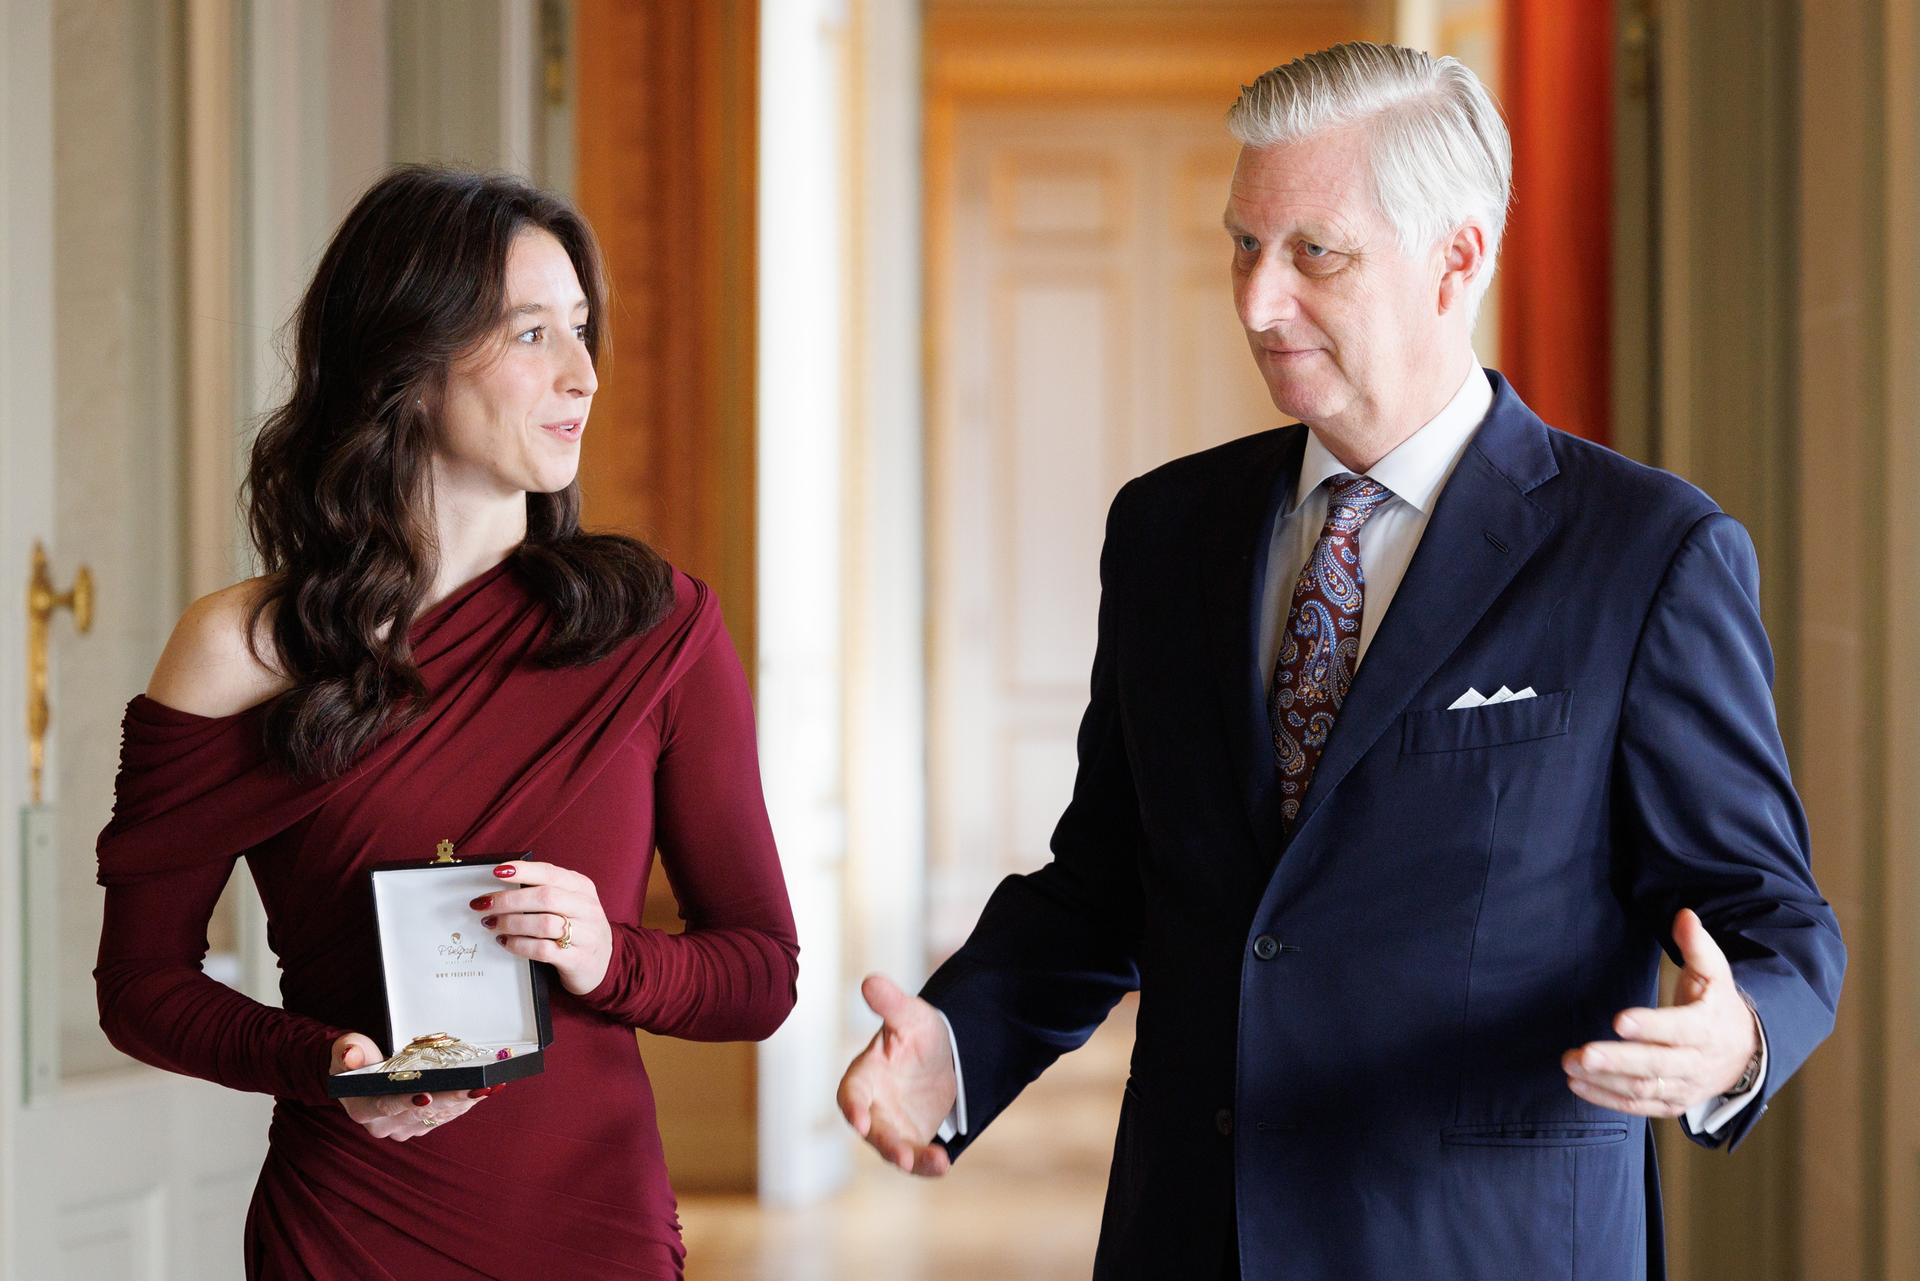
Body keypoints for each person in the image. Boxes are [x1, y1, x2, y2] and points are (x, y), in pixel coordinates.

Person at [836, 41, 1844, 1280]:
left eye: (1316, 253)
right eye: (1243, 245)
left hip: (1489, 1246)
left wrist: (1736, 1040)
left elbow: (1775, 918)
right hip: (1192, 1236)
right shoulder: (1164, 531)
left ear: (1457, 259)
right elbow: (1109, 880)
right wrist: (960, 1040)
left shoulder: (1647, 552)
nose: (1259, 300)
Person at [93, 165, 798, 1280]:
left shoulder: (657, 629)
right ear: (404, 365)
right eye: (531, 334)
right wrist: (324, 1060)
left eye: (581, 328)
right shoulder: (238, 650)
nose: (583, 372)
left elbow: (760, 975)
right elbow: (140, 993)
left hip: (594, 1229)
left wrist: (608, 954)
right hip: (347, 1234)